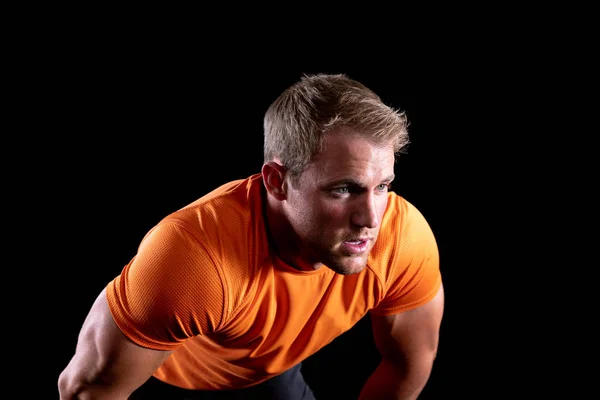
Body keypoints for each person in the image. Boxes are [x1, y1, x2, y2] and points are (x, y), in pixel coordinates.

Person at [58, 73, 444, 400]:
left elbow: (408, 364)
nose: (370, 218)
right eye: (343, 189)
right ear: (277, 181)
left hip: (268, 373)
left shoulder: (401, 238)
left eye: (382, 187)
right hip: (168, 380)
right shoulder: (195, 258)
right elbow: (88, 388)